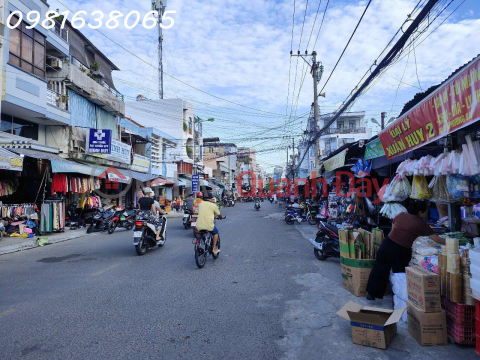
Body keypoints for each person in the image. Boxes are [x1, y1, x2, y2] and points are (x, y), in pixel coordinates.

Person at [366, 201, 445, 301]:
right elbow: (437, 239)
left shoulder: (401, 215)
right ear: (420, 213)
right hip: (401, 250)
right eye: (425, 212)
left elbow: (394, 225)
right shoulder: (421, 224)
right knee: (399, 275)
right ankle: (398, 297)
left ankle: (371, 294)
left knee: (380, 268)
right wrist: (452, 242)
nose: (425, 215)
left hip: (387, 244)